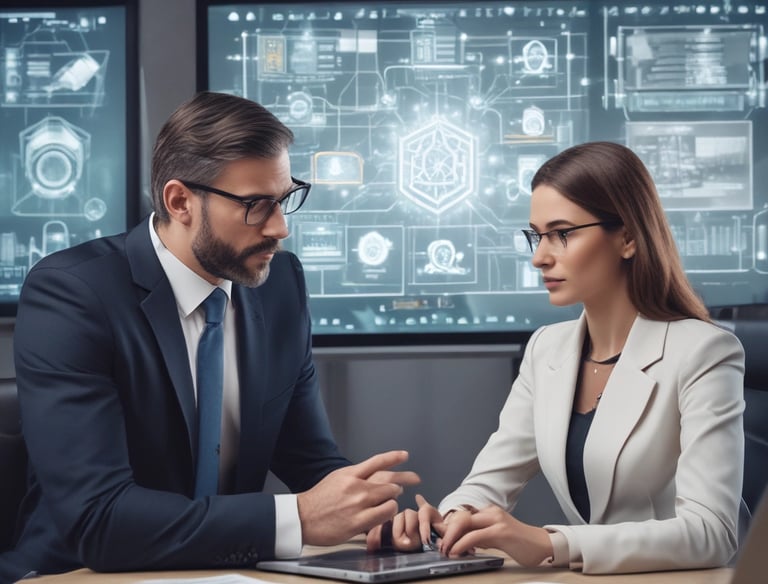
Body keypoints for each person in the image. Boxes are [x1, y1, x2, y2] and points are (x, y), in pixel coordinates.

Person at [0, 91, 419, 582]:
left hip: (232, 572)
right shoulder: (73, 295)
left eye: (284, 199)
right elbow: (99, 519)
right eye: (256, 205)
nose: (281, 228)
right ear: (180, 201)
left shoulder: (280, 285)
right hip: (79, 574)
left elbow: (308, 456)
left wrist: (378, 513)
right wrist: (300, 517)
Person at [367, 141, 745, 574]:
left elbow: (712, 532)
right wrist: (451, 520)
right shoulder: (547, 347)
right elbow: (490, 479)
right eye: (537, 234)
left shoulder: (703, 352)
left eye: (562, 234)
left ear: (628, 237)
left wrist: (550, 542)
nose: (539, 257)